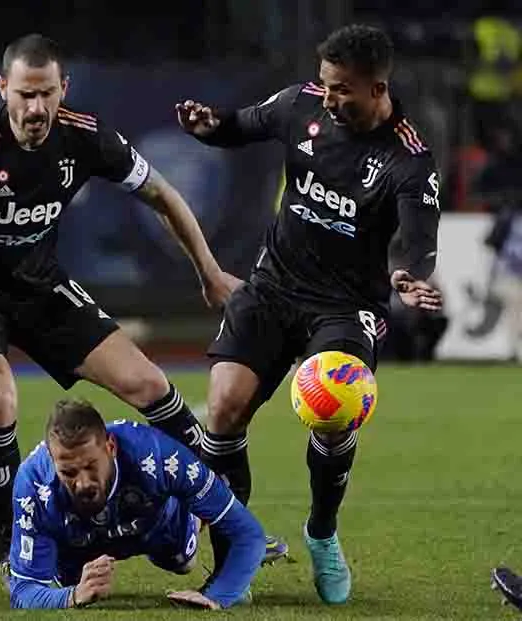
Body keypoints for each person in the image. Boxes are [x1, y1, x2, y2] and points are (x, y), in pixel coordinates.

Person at [0, 34, 239, 570]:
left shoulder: (87, 138)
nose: (35, 108)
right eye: (23, 95)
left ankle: (225, 520)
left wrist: (209, 270)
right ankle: (9, 546)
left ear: (65, 88)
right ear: (2, 89)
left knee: (150, 384)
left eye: (46, 94)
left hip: (39, 285)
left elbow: (164, 195)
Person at [176, 24, 443, 604]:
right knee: (222, 405)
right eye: (325, 84)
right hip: (273, 286)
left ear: (378, 89)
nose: (328, 97)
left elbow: (416, 241)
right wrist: (208, 127)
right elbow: (240, 124)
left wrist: (405, 276)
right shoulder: (300, 106)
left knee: (335, 410)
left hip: (346, 307)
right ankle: (234, 558)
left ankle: (321, 531)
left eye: (342, 89)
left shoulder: (409, 160)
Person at [7, 399, 287, 609]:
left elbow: (248, 534)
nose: (82, 483)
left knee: (183, 561)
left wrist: (216, 596)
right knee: (67, 580)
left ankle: (193, 519)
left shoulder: (158, 456)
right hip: (79, 544)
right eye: (68, 473)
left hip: (153, 525)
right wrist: (72, 595)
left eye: (91, 466)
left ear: (111, 448)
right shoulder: (33, 482)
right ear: (53, 463)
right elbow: (24, 591)